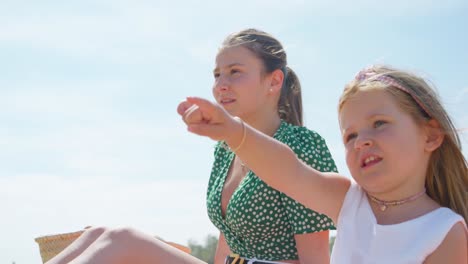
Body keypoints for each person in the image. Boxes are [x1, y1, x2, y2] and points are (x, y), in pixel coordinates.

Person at [46, 28, 337, 264]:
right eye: (217, 74)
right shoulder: (225, 149)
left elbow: (316, 256)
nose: (221, 84)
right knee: (101, 234)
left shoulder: (301, 144)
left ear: (273, 81)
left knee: (123, 239)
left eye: (235, 71)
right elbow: (227, 243)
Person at [179, 65, 468, 264]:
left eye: (379, 123)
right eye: (350, 135)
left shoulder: (443, 230)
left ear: (430, 135)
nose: (361, 141)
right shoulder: (348, 200)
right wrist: (234, 131)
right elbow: (287, 170)